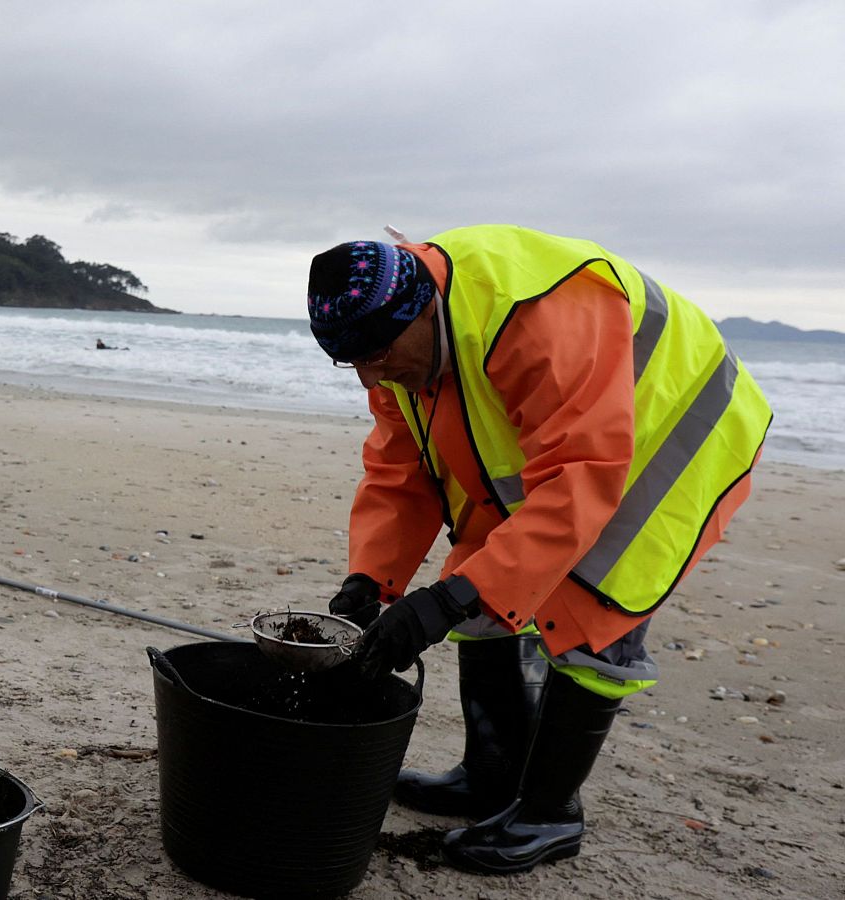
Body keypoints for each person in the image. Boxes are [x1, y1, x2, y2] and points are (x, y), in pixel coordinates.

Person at [307, 225, 770, 874]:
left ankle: (550, 814)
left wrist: (447, 600)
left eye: (377, 354)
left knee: (594, 605)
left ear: (426, 309)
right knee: (477, 575)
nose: (370, 375)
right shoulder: (387, 339)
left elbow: (582, 475)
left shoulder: (540, 314)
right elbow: (399, 472)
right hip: (565, 439)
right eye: (348, 360)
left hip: (670, 432)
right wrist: (368, 583)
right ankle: (490, 778)